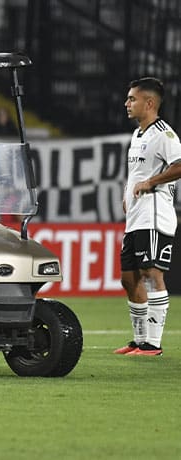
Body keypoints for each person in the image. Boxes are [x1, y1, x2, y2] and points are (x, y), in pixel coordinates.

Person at [113, 77, 181, 357]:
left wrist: (151, 182)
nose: (127, 103)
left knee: (151, 274)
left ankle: (153, 345)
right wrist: (128, 193)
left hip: (155, 215)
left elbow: (179, 165)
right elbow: (137, 174)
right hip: (136, 216)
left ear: (149, 103)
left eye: (132, 99)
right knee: (129, 279)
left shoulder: (164, 135)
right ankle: (139, 341)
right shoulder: (138, 134)